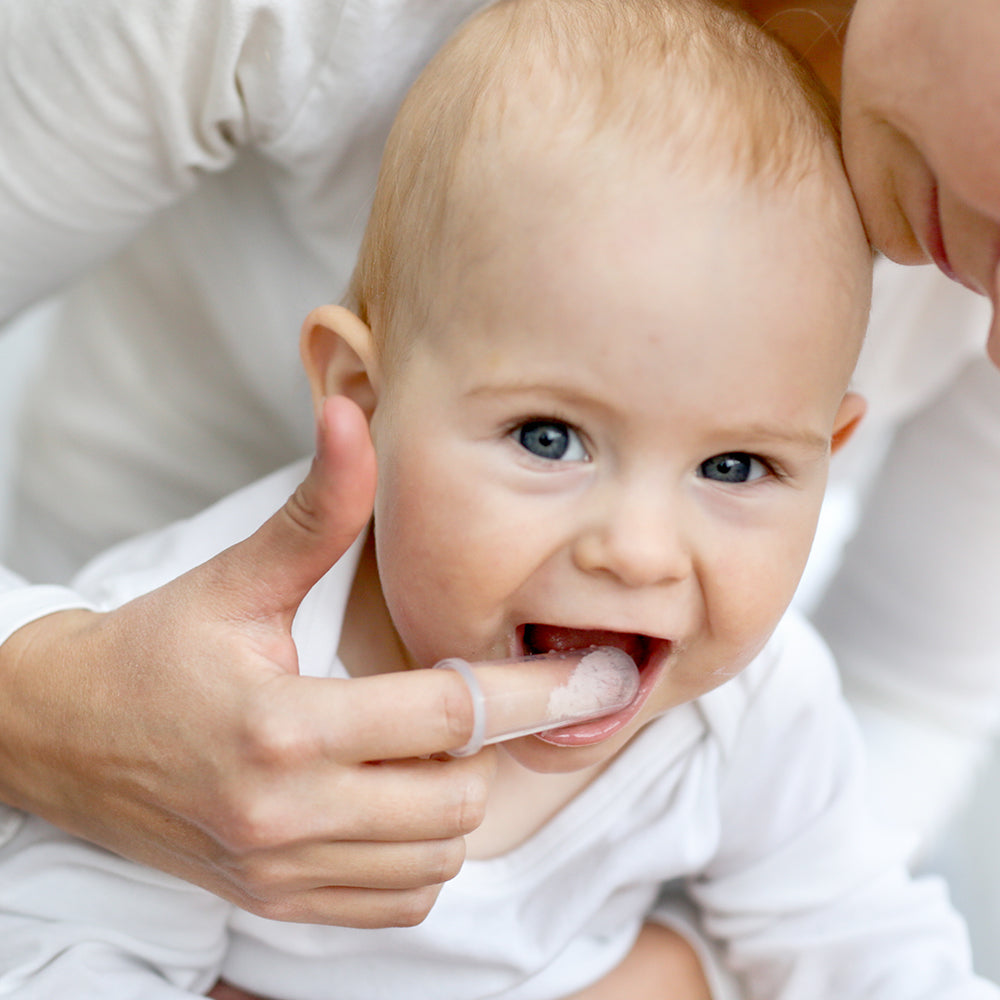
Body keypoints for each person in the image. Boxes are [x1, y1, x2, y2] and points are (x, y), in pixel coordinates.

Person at [2, 1, 996, 997]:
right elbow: (68, 958)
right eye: (548, 438)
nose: (641, 553)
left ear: (827, 455)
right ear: (362, 398)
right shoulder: (205, 673)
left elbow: (861, 928)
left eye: (734, 466)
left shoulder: (753, 709)